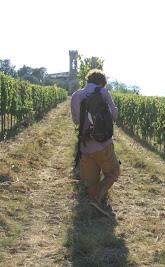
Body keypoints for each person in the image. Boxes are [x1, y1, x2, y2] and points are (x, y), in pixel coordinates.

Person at [71, 69, 120, 212]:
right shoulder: (103, 92)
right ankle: (97, 198)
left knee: (91, 182)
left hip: (85, 146)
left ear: (88, 80)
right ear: (102, 82)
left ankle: (93, 207)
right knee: (113, 172)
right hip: (103, 144)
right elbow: (114, 115)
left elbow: (75, 121)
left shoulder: (76, 95)